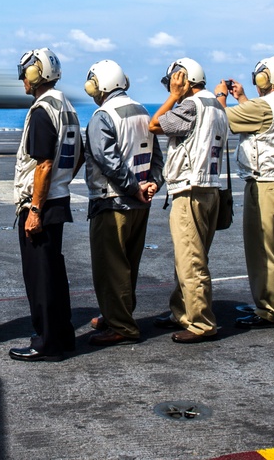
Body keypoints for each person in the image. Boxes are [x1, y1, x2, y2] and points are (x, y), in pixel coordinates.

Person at [213, 56, 274, 329]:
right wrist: (243, 98)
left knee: (262, 251)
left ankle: (269, 309)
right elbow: (264, 123)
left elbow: (222, 120)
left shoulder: (263, 107)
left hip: (266, 186)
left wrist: (222, 95)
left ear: (266, 78)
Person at [81, 60, 162, 346]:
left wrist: (132, 187)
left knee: (110, 267)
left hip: (113, 201)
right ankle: (116, 313)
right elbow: (157, 157)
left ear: (100, 84)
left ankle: (122, 327)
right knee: (129, 263)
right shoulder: (142, 110)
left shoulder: (103, 116)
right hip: (141, 203)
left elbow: (108, 160)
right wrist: (152, 184)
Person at [148, 58, 228, 344]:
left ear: (186, 80)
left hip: (190, 190)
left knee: (190, 260)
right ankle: (181, 311)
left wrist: (173, 96)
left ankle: (201, 323)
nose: (172, 86)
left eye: (175, 81)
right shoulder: (217, 105)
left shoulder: (192, 105)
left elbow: (155, 124)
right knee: (191, 256)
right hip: (209, 189)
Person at [9, 48, 81, 361]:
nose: (22, 77)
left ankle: (45, 343)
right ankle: (62, 337)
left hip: (41, 204)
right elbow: (78, 154)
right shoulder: (66, 106)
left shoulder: (41, 110)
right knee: (53, 274)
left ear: (38, 73)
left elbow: (43, 164)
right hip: (59, 199)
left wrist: (35, 210)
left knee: (40, 279)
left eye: (26, 71)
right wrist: (61, 184)